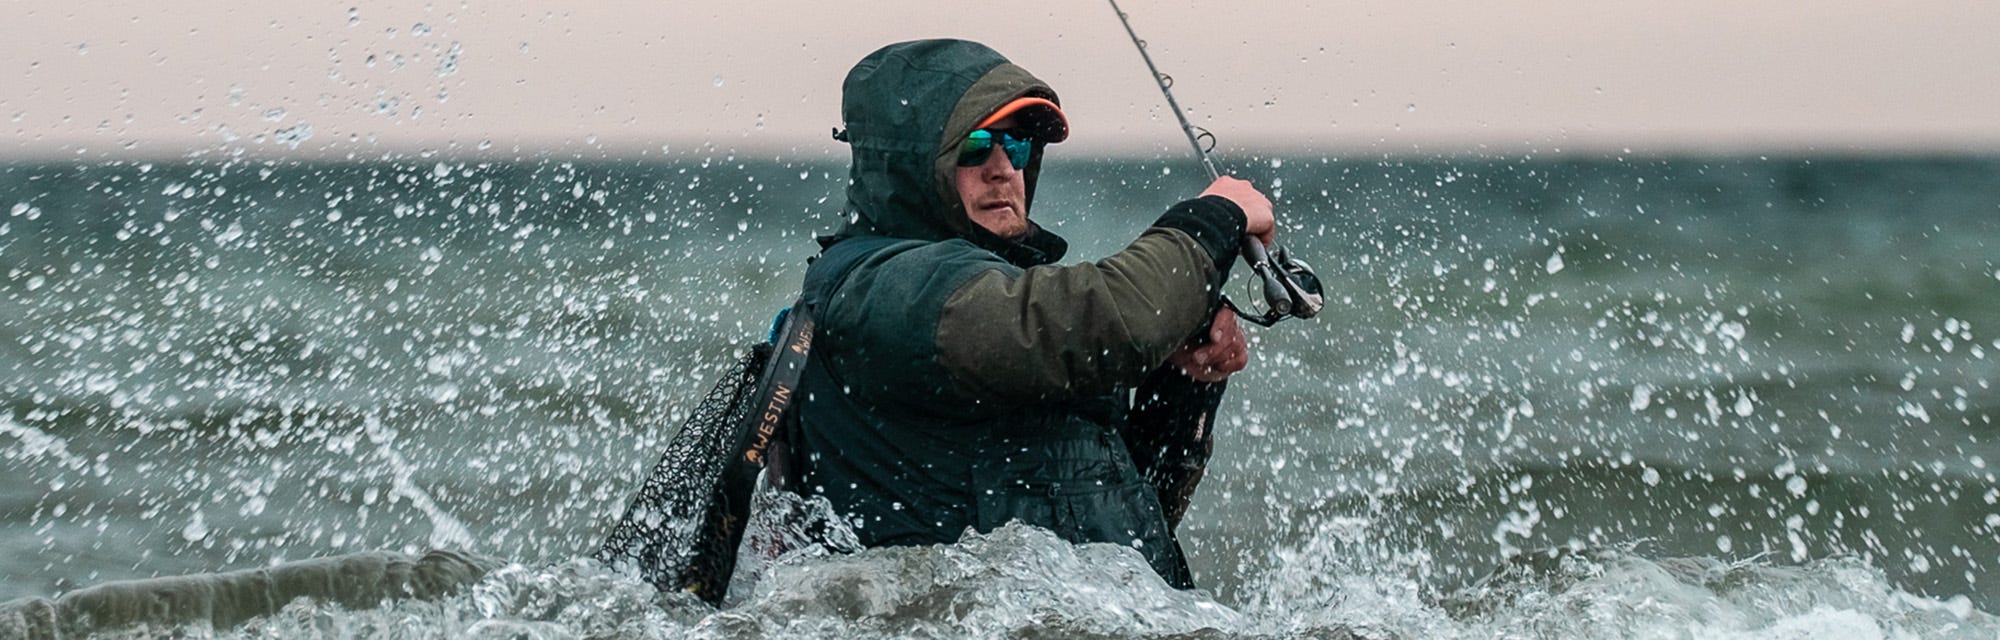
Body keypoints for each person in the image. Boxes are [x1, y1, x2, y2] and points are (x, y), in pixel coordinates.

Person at [783, 38, 1276, 589]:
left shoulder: (992, 295)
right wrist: (1213, 219)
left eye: (1016, 145)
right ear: (909, 163)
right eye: (974, 146)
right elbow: (1099, 324)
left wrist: (1182, 382)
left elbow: (1120, 518)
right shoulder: (884, 290)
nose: (1001, 168)